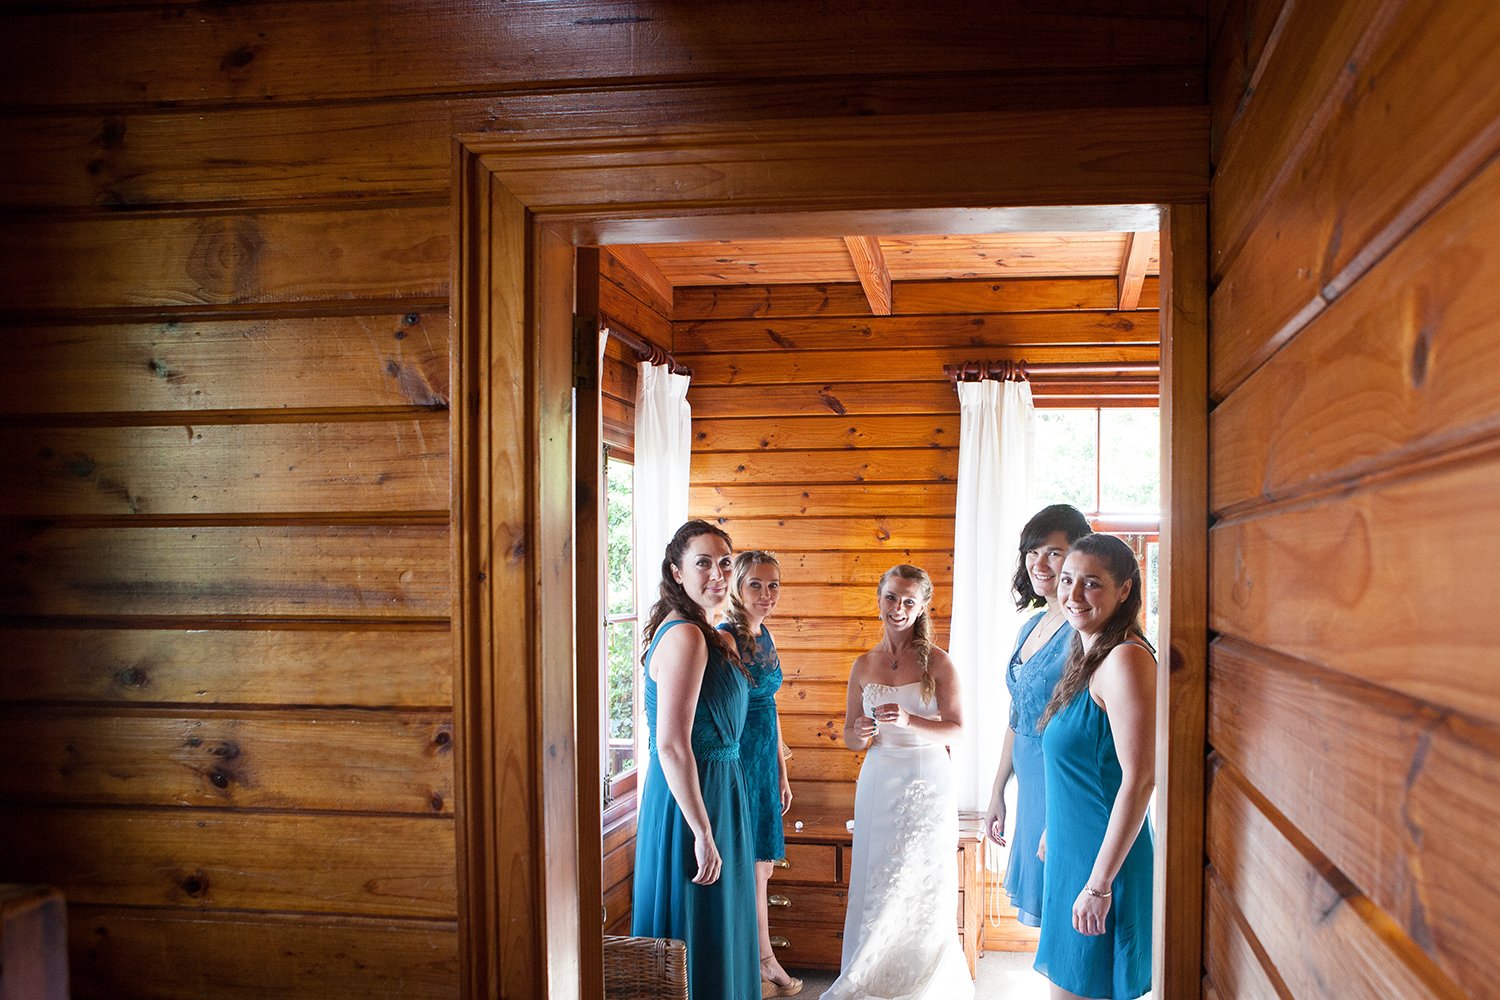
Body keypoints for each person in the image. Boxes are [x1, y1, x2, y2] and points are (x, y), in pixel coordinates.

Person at [821, 564, 974, 1000]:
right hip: (878, 775)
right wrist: (860, 733)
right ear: (879, 598)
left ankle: (920, 979)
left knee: (918, 876)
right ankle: (868, 974)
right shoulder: (863, 663)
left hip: (926, 777)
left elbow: (959, 731)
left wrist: (910, 720)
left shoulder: (939, 662)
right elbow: (851, 735)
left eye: (909, 601)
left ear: (922, 606)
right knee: (876, 875)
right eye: (891, 597)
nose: (899, 608)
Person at [631, 520, 759, 1000]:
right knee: (698, 922)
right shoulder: (685, 636)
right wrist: (702, 832)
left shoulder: (708, 633)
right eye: (702, 563)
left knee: (721, 919)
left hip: (721, 789)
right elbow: (671, 744)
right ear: (676, 572)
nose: (718, 573)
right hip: (694, 798)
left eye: (724, 562)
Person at [1034, 534, 1156, 1000]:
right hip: (1073, 849)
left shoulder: (1125, 659)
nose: (1073, 594)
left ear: (1124, 590)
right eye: (1067, 581)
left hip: (1103, 863)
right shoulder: (1087, 653)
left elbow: (1140, 779)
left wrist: (1100, 885)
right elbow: (1085, 762)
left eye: (1092, 584)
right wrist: (1054, 826)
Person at [984, 504, 1093, 929]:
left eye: (1054, 552)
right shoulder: (1030, 627)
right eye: (1032, 551)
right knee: (1051, 918)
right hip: (1029, 784)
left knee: (1069, 907)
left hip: (1063, 782)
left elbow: (1087, 728)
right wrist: (997, 790)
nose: (1039, 563)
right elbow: (1018, 716)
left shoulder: (1083, 631)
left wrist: (1062, 813)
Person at [718, 549, 802, 998]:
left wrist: (781, 772)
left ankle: (760, 957)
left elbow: (770, 704)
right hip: (736, 757)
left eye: (773, 586)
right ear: (737, 587)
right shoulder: (725, 636)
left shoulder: (763, 632)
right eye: (756, 585)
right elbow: (719, 708)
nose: (767, 594)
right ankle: (760, 960)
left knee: (763, 865)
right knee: (749, 866)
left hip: (765, 756)